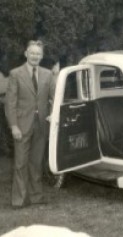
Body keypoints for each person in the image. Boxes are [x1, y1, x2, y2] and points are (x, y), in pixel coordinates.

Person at [5, 40, 55, 208]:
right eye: (32, 53)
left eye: (38, 54)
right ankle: (19, 200)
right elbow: (10, 103)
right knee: (20, 163)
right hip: (21, 125)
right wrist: (13, 126)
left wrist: (53, 115)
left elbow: (54, 99)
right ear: (26, 54)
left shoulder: (48, 75)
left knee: (36, 163)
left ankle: (36, 196)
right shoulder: (15, 74)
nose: (35, 56)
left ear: (42, 56)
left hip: (41, 125)